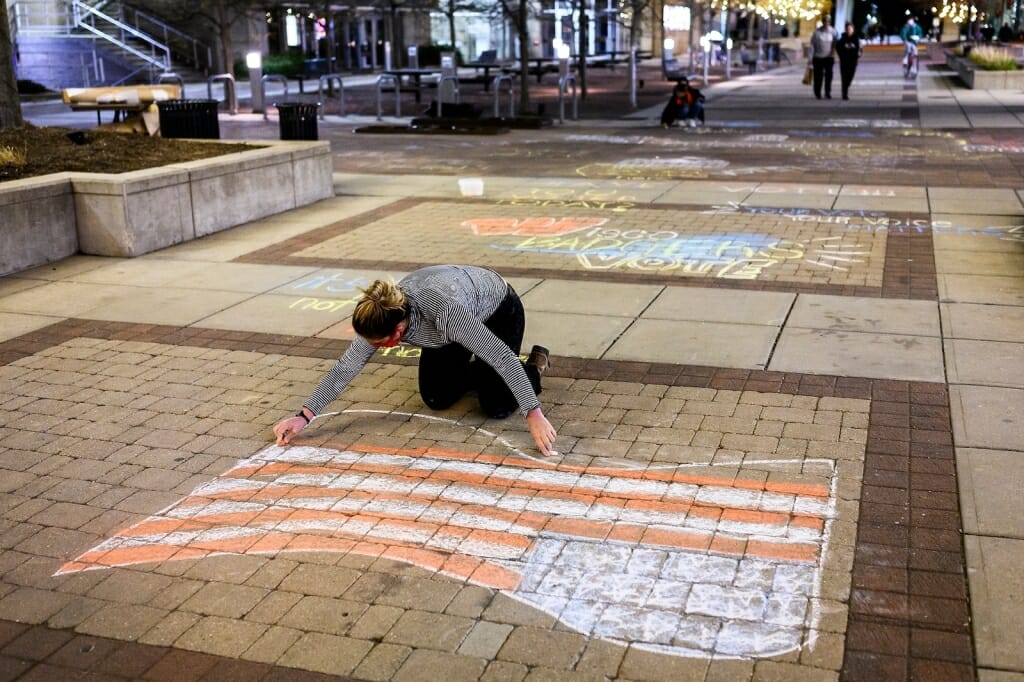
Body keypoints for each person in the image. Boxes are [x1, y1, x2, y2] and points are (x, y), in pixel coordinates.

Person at [273, 265, 558, 456]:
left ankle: (533, 368)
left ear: (397, 331)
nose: (372, 348)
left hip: (496, 308)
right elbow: (345, 368)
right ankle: (487, 374)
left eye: (377, 344)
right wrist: (303, 417)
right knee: (436, 396)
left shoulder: (444, 312)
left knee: (495, 403)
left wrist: (533, 413)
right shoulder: (381, 316)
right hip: (446, 328)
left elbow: (501, 357)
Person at [809, 14, 838, 99]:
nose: (826, 23)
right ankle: (817, 92)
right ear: (823, 22)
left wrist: (834, 53)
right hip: (818, 57)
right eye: (825, 21)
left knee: (829, 76)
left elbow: (835, 43)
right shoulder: (817, 33)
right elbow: (812, 46)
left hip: (828, 58)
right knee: (818, 76)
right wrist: (810, 57)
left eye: (828, 22)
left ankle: (827, 92)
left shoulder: (833, 32)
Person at [835, 22, 862, 100]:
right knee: (844, 78)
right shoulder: (842, 39)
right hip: (844, 62)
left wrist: (858, 55)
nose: (849, 30)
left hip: (853, 62)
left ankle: (847, 86)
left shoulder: (856, 38)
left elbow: (860, 49)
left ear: (853, 30)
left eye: (850, 29)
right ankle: (844, 94)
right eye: (847, 29)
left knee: (850, 77)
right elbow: (838, 48)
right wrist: (841, 55)